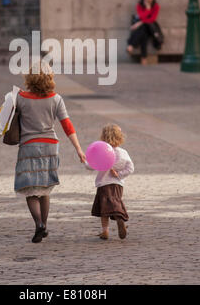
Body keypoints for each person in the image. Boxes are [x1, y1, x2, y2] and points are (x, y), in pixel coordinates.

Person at [14, 61, 86, 243]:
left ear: (30, 77)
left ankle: (39, 224)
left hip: (29, 146)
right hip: (50, 146)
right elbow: (67, 125)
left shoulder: (20, 98)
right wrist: (78, 149)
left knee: (30, 190)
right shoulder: (56, 98)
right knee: (45, 189)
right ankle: (44, 225)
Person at [85, 124, 134, 240]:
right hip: (118, 184)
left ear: (103, 137)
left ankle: (105, 230)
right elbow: (131, 168)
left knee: (104, 209)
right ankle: (119, 219)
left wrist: (84, 161)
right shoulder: (123, 152)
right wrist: (119, 175)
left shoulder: (101, 151)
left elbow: (91, 166)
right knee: (115, 202)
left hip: (104, 183)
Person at [127, 0, 163, 65]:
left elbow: (152, 19)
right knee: (143, 33)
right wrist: (147, 9)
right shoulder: (139, 5)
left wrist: (139, 23)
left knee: (144, 27)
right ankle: (144, 58)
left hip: (152, 29)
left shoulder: (156, 6)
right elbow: (141, 16)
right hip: (144, 30)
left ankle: (131, 45)